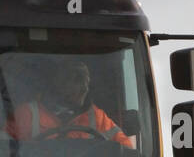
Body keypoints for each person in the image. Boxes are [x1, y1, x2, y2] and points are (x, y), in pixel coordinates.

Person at [7, 59, 135, 148]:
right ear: (58, 82)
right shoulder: (26, 114)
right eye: (78, 80)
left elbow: (126, 153)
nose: (85, 88)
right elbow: (3, 152)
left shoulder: (97, 118)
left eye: (87, 82)